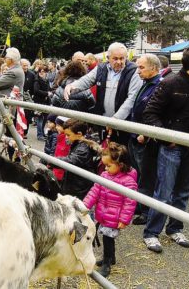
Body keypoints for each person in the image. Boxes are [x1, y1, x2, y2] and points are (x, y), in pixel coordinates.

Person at [142, 44, 189, 253]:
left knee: (183, 192)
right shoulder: (170, 83)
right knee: (164, 191)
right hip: (171, 148)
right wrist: (166, 138)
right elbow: (150, 113)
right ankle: (151, 233)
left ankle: (175, 228)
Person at [64, 42, 143, 145]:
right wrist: (72, 86)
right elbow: (87, 80)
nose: (119, 62)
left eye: (122, 58)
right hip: (104, 122)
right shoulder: (101, 68)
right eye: (115, 58)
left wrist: (115, 119)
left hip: (124, 125)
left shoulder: (133, 71)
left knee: (121, 156)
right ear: (108, 57)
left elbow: (132, 99)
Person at [83, 142, 137, 277]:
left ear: (121, 165)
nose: (105, 169)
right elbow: (94, 191)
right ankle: (111, 258)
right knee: (107, 237)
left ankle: (107, 263)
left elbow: (130, 202)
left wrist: (124, 219)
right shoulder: (105, 176)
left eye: (108, 165)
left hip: (114, 217)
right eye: (104, 166)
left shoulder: (128, 182)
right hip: (103, 214)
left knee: (107, 239)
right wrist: (84, 206)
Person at [128, 54, 162, 225]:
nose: (138, 71)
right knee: (138, 173)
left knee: (147, 176)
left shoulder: (158, 85)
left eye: (141, 67)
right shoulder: (146, 83)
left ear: (154, 68)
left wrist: (146, 134)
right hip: (135, 135)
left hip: (145, 139)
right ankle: (140, 205)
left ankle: (146, 210)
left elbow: (156, 112)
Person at [56, 118, 99, 200]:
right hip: (75, 185)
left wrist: (51, 160)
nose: (66, 137)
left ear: (79, 134)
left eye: (68, 135)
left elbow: (71, 161)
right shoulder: (78, 143)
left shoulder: (83, 149)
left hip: (79, 188)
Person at [33, 65, 51, 141]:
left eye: (45, 71)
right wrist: (47, 93)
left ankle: (42, 133)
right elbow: (36, 90)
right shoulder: (36, 80)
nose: (43, 73)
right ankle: (39, 135)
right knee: (40, 119)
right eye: (42, 71)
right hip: (39, 101)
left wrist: (50, 91)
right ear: (39, 71)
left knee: (45, 118)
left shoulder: (46, 79)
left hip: (46, 101)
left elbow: (49, 88)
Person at [52, 116, 70, 183]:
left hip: (62, 171)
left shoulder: (67, 139)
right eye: (56, 125)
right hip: (56, 167)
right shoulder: (59, 137)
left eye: (59, 126)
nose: (56, 127)